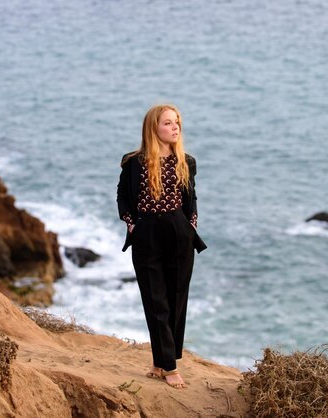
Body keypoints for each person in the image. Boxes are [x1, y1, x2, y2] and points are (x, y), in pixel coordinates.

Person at [116, 104, 207, 389]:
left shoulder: (186, 161)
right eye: (168, 123)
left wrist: (191, 225)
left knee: (176, 298)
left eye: (177, 122)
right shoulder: (133, 163)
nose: (175, 127)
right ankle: (170, 366)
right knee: (155, 300)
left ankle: (160, 361)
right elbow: (122, 197)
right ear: (153, 127)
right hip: (147, 233)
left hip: (179, 232)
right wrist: (132, 224)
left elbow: (191, 198)